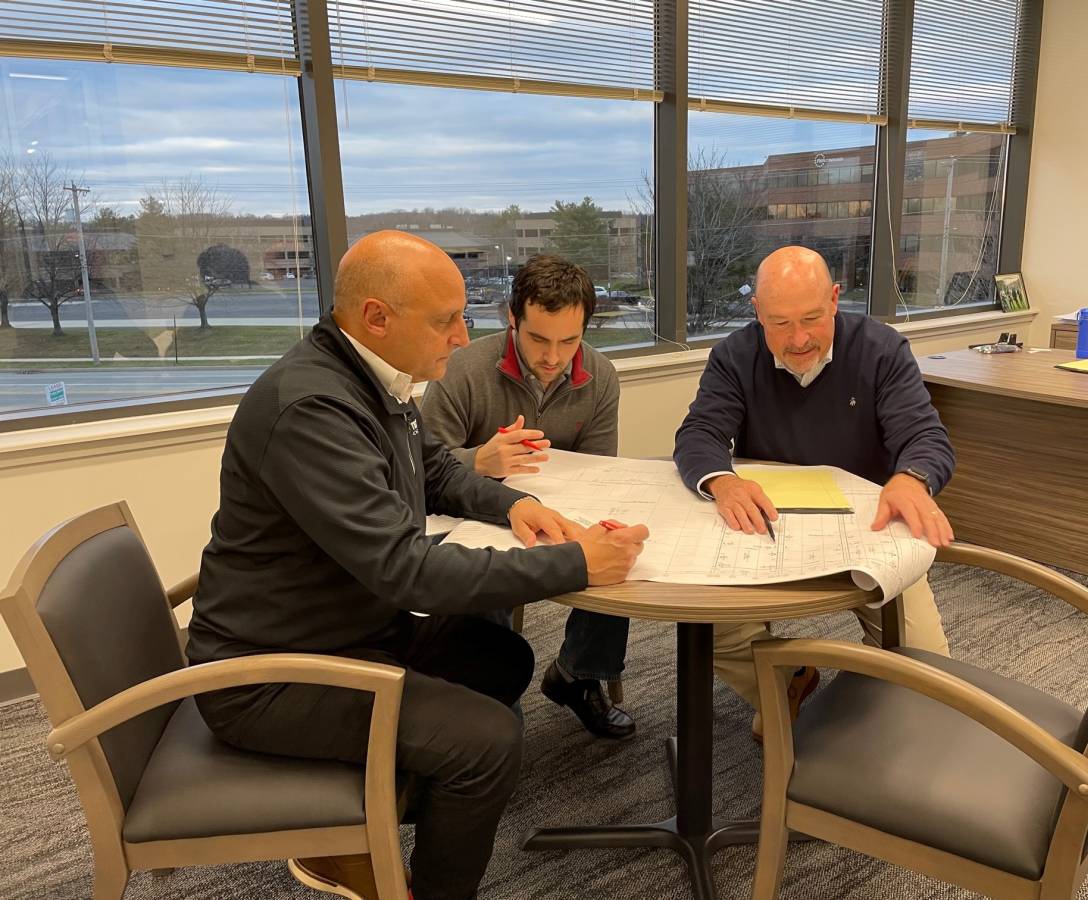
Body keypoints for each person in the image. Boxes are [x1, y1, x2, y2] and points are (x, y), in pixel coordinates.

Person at [186, 231, 648, 900]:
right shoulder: (312, 407)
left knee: (502, 658)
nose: (462, 336)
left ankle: (357, 832)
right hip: (270, 675)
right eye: (445, 320)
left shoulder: (373, 377)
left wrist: (516, 508)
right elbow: (407, 572)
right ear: (378, 317)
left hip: (344, 629)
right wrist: (576, 565)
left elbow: (433, 469)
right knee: (488, 744)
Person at [673, 245, 955, 741]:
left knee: (929, 674)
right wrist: (723, 479)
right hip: (770, 530)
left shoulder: (881, 349)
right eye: (779, 323)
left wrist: (911, 477)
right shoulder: (734, 356)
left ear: (834, 299)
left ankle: (873, 733)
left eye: (811, 317)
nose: (798, 338)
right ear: (757, 312)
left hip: (868, 531)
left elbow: (926, 437)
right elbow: (699, 435)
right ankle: (786, 685)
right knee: (708, 632)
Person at [421, 254, 634, 740]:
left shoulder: (600, 375)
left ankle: (579, 675)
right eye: (538, 339)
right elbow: (419, 467)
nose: (553, 357)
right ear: (512, 319)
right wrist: (480, 462)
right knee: (479, 572)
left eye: (570, 340)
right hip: (469, 514)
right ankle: (493, 700)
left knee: (615, 550)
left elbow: (600, 470)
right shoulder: (463, 368)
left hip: (557, 510)